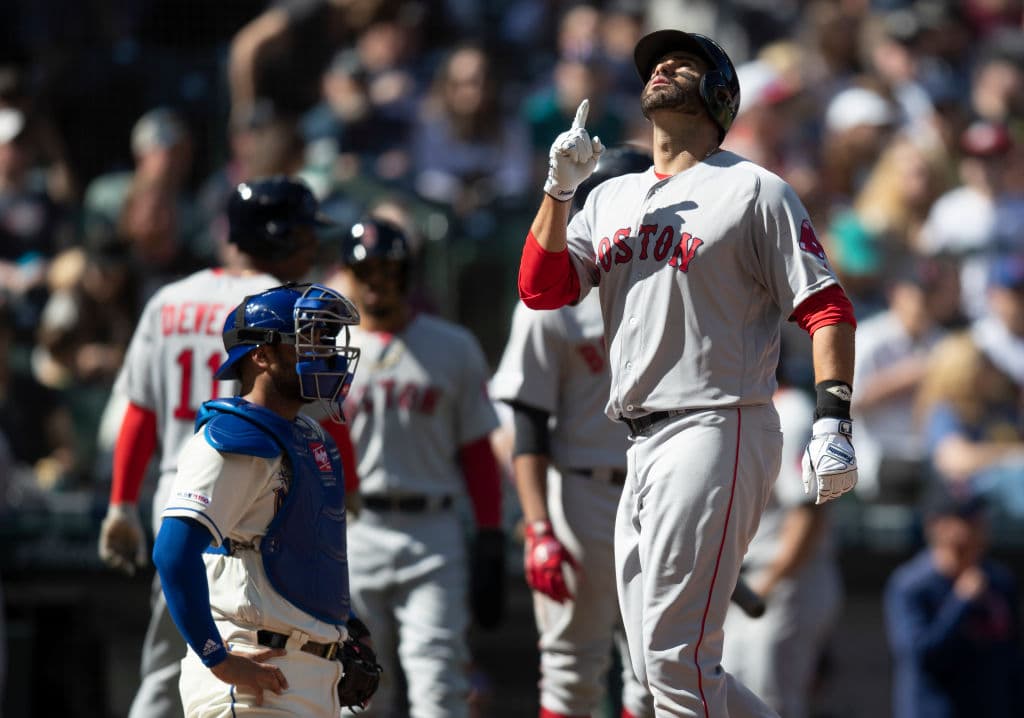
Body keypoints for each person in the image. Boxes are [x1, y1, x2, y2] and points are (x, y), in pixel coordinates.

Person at [517, 28, 858, 715]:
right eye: (656, 63)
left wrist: (833, 417)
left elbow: (827, 307)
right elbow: (542, 289)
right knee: (650, 664)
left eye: (685, 63)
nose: (664, 67)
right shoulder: (607, 198)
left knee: (675, 663)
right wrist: (558, 191)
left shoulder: (754, 189)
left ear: (719, 93)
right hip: (640, 439)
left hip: (717, 422)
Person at [97, 176, 358, 718]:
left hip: (187, 478)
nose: (313, 244)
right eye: (306, 232)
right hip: (224, 473)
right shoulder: (280, 307)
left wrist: (122, 501)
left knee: (164, 671)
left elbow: (140, 411)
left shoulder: (170, 298)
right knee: (209, 644)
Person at [152, 281, 370, 716]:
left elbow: (306, 555)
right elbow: (173, 554)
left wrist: (342, 637)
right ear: (262, 354)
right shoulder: (234, 436)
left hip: (303, 680)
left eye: (326, 340)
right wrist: (218, 659)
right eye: (308, 340)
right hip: (254, 675)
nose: (325, 352)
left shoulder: (310, 437)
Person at [491, 146, 654, 718]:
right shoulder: (551, 302)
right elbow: (528, 422)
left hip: (658, 488)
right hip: (580, 492)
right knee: (571, 674)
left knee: (655, 676)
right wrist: (537, 528)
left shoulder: (676, 288)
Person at [328, 216, 504, 717]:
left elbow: (476, 449)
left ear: (409, 275)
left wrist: (490, 533)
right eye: (368, 271)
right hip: (353, 533)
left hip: (433, 530)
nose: (378, 281)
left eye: (390, 270)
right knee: (355, 690)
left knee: (439, 685)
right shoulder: (328, 352)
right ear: (349, 275)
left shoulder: (452, 345)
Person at [721, 377, 842, 718]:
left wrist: (770, 583)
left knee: (771, 702)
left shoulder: (791, 412)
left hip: (785, 580)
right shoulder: (742, 408)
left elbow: (808, 511)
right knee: (731, 702)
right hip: (749, 583)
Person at [884, 490, 1024, 718]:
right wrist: (961, 602)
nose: (977, 527)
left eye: (979, 518)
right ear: (935, 525)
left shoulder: (999, 580)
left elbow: (1012, 658)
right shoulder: (912, 585)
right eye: (965, 519)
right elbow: (921, 656)